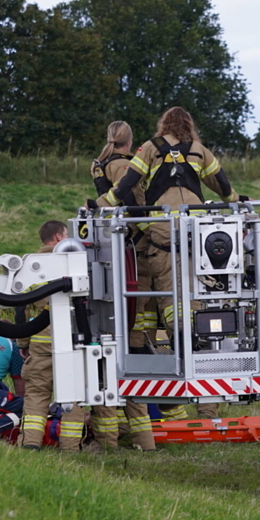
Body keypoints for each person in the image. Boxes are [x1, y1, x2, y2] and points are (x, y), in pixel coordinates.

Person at [107, 107, 242, 418]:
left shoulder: (150, 149)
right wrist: (236, 200)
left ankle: (175, 396)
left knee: (173, 319)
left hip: (162, 241)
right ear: (190, 126)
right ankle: (207, 408)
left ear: (163, 125)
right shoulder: (199, 151)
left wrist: (102, 205)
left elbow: (128, 183)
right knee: (203, 326)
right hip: (199, 241)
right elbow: (221, 183)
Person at [89, 121, 157, 449]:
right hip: (135, 248)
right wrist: (151, 231)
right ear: (129, 141)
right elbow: (132, 204)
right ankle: (144, 438)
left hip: (112, 249)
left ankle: (111, 440)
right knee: (140, 309)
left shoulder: (100, 164)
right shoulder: (125, 166)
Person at [18, 221, 90, 451]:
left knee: (37, 394)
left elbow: (21, 308)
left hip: (40, 340)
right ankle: (69, 447)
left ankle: (30, 443)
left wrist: (23, 342)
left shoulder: (30, 265)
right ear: (59, 237)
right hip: (73, 339)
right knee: (74, 395)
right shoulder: (75, 262)